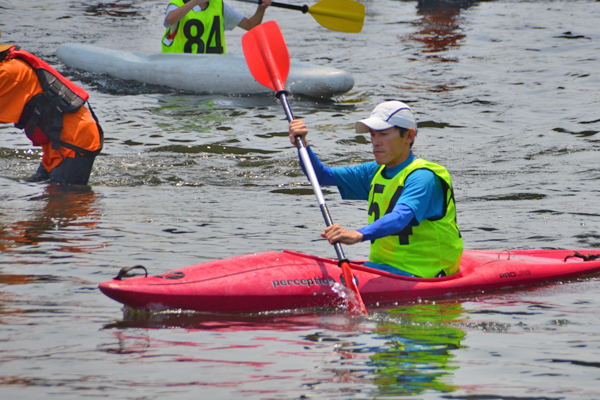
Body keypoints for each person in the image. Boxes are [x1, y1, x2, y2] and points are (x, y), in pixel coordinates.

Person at [288, 101, 463, 278]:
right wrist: (303, 146)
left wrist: (357, 235)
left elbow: (400, 218)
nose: (375, 142)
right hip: (384, 269)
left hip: (426, 274)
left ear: (409, 136)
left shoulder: (423, 177)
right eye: (372, 135)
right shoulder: (374, 171)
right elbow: (321, 176)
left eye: (384, 134)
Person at [0, 30, 103, 185]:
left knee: (65, 204)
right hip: (56, 141)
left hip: (73, 140)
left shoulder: (7, 72)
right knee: (45, 198)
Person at [161, 0, 272, 54]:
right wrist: (195, 2)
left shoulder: (219, 5)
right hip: (177, 62)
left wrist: (261, 8)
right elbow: (169, 20)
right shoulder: (176, 4)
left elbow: (250, 26)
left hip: (210, 65)